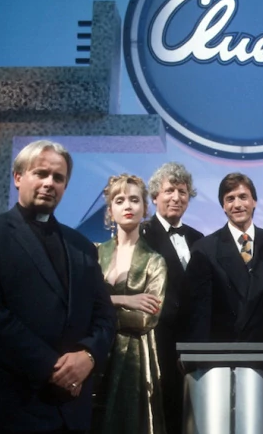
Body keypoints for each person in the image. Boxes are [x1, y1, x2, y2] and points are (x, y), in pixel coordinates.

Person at [0, 140, 116, 434]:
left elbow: (105, 315)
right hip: (6, 407)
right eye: (40, 173)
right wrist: (56, 369)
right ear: (18, 177)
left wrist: (88, 356)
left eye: (58, 178)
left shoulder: (82, 246)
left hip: (71, 412)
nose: (49, 183)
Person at [91, 174, 168, 434]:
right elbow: (82, 304)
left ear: (145, 208)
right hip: (93, 352)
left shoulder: (154, 261)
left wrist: (100, 309)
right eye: (120, 200)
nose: (128, 206)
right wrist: (122, 299)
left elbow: (146, 318)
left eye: (134, 200)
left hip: (133, 357)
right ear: (110, 210)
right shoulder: (94, 253)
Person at [185, 172, 263, 344]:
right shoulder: (205, 248)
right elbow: (199, 312)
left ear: (254, 201)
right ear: (223, 206)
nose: (237, 205)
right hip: (222, 351)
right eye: (230, 199)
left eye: (243, 197)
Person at [141, 162, 204, 434]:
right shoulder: (141, 235)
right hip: (156, 340)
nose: (176, 197)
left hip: (194, 343)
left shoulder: (199, 239)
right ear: (155, 196)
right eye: (169, 191)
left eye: (182, 191)